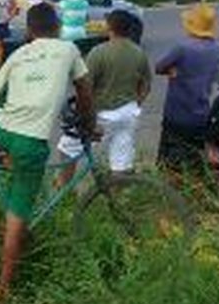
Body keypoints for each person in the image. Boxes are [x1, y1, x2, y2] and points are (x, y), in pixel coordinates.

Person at [0, 3, 94, 304]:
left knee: (16, 152)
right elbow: (85, 91)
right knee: (19, 216)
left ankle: (7, 158)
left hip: (1, 128)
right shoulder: (68, 49)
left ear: (29, 31)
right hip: (29, 143)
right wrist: (89, 124)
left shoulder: (18, 53)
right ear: (57, 27)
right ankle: (3, 288)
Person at [56, 10, 151, 184]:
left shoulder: (98, 52)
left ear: (110, 28)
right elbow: (146, 85)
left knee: (67, 148)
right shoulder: (139, 53)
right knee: (120, 165)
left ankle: (63, 190)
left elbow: (85, 90)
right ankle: (116, 203)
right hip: (129, 113)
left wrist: (84, 119)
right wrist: (135, 104)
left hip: (103, 115)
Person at [155, 3, 219, 180]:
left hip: (177, 114)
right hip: (201, 113)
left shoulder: (182, 48)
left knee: (170, 162)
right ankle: (197, 193)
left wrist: (171, 71)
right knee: (196, 160)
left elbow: (158, 67)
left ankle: (172, 198)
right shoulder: (217, 49)